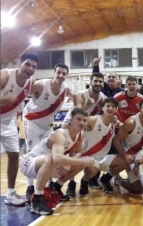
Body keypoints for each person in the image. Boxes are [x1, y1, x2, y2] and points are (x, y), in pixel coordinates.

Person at [20, 108, 94, 215]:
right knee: (52, 159)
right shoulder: (60, 135)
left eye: (84, 120)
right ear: (71, 120)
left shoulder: (80, 134)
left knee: (80, 163)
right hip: (29, 163)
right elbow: (57, 158)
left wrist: (71, 164)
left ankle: (56, 187)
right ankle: (37, 199)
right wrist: (80, 162)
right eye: (78, 119)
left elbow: (78, 152)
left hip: (49, 164)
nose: (82, 122)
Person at [23, 63, 73, 200]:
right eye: (59, 73)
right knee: (32, 155)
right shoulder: (40, 85)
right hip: (32, 121)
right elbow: (23, 92)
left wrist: (68, 120)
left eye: (64, 74)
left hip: (48, 125)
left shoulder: (65, 90)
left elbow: (77, 100)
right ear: (54, 73)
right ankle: (30, 188)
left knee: (51, 154)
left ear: (66, 76)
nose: (61, 75)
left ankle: (50, 187)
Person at [0, 53, 38, 206]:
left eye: (34, 66)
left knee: (15, 155)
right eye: (27, 64)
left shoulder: (31, 82)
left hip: (8, 122)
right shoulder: (5, 75)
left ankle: (10, 193)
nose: (30, 69)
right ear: (19, 63)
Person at [63, 72, 107, 193]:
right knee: (72, 153)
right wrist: (88, 105)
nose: (98, 83)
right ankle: (71, 183)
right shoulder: (81, 95)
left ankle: (87, 179)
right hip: (72, 124)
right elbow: (78, 112)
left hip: (86, 125)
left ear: (103, 83)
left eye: (100, 81)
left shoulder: (102, 97)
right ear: (90, 82)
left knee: (84, 152)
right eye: (95, 81)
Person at [79, 98, 126, 195]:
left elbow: (126, 126)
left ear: (116, 109)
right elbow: (78, 124)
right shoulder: (93, 119)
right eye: (108, 106)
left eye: (113, 106)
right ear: (103, 108)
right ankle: (85, 180)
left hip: (103, 157)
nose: (110, 108)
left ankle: (105, 179)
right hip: (88, 156)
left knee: (125, 161)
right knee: (94, 169)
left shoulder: (115, 123)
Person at [112, 99, 143, 193]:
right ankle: (116, 180)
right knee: (138, 189)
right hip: (129, 156)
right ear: (139, 109)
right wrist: (125, 156)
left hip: (139, 156)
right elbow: (116, 140)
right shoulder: (131, 122)